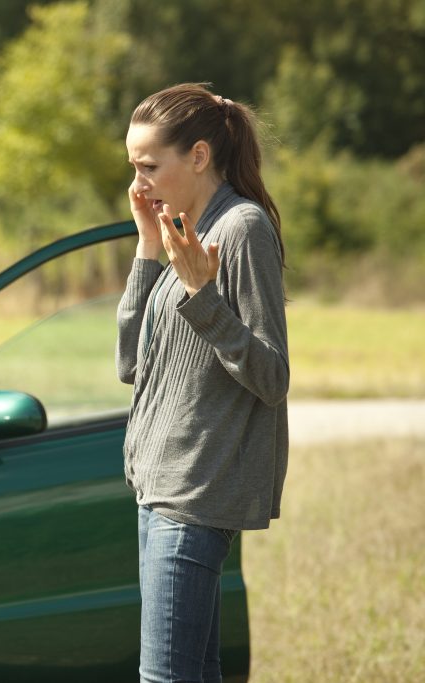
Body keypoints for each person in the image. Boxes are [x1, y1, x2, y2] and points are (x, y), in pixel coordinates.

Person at [116, 83, 289, 683]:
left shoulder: (242, 230)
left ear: (197, 156)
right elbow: (130, 365)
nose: (139, 185)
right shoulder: (181, 233)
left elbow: (272, 376)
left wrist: (202, 296)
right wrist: (147, 250)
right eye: (134, 169)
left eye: (148, 167)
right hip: (157, 492)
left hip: (195, 495)